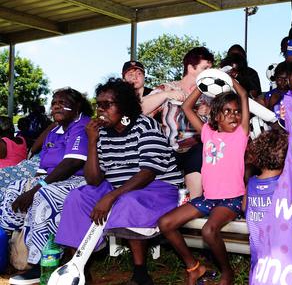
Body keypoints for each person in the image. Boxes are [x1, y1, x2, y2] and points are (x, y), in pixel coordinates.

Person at [56, 78, 183, 285]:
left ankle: (140, 273)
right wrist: (92, 142)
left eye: (107, 105)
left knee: (128, 201)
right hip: (118, 187)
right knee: (77, 197)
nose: (100, 110)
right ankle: (79, 268)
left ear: (123, 107)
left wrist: (111, 196)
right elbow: (94, 179)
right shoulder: (102, 133)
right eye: (98, 105)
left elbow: (148, 173)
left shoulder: (145, 125)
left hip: (157, 187)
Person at [158, 78, 249, 285]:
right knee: (165, 223)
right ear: (216, 117)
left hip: (231, 200)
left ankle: (227, 272)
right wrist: (202, 85)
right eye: (227, 111)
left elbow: (243, 96)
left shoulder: (241, 135)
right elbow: (187, 106)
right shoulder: (208, 133)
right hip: (207, 199)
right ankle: (194, 267)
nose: (233, 115)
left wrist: (232, 80)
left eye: (236, 111)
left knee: (209, 230)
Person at [0, 88, 91, 284]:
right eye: (54, 102)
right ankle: (6, 252)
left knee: (44, 196)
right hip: (51, 178)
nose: (56, 105)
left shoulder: (81, 125)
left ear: (77, 106)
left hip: (79, 179)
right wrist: (30, 185)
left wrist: (36, 188)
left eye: (62, 102)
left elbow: (72, 163)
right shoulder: (55, 130)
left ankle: (38, 264)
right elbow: (43, 168)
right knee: (14, 188)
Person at [144, 47, 214, 199]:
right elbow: (140, 109)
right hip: (169, 148)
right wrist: (166, 95)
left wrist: (209, 112)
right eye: (205, 68)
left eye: (210, 68)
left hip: (197, 148)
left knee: (201, 151)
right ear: (191, 68)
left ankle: (194, 206)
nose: (209, 72)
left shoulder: (209, 94)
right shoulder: (168, 87)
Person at [245, 129, 288, 278]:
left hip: (258, 253)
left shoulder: (251, 184)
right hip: (283, 257)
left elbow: (245, 207)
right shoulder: (285, 185)